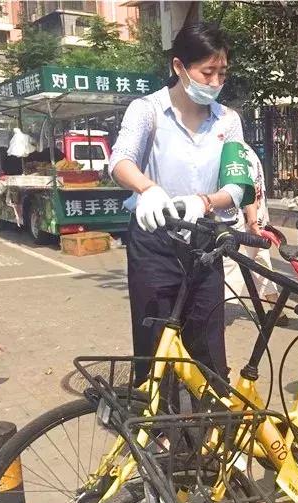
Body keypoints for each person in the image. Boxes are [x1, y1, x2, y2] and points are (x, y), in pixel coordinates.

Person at [109, 23, 248, 385]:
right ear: (179, 67)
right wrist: (148, 188)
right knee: (155, 338)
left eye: (222, 73)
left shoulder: (228, 121)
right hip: (155, 241)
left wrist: (205, 201)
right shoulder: (148, 110)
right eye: (207, 72)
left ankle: (210, 424)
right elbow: (120, 160)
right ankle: (155, 427)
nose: (216, 82)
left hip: (205, 240)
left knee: (207, 338)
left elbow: (236, 186)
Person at [222, 143, 286, 324]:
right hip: (258, 221)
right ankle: (277, 311)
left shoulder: (233, 153)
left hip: (244, 223)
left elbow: (246, 187)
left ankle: (217, 314)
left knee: (229, 270)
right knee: (262, 266)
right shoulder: (249, 152)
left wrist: (251, 222)